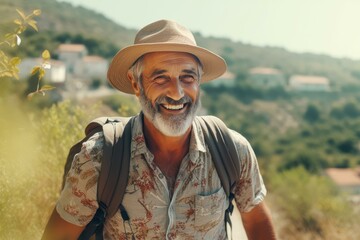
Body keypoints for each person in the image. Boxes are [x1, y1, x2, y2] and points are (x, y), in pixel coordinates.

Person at [42, 19, 276, 240]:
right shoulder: (99, 158)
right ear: (136, 84)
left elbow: (256, 223)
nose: (177, 93)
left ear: (199, 81)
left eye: (187, 77)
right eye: (160, 78)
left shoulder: (232, 151)